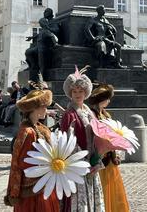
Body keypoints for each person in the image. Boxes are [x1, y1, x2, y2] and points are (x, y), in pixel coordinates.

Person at [4, 88, 59, 211]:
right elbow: (24, 162)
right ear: (35, 109)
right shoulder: (28, 132)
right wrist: (47, 164)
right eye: (44, 106)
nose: (46, 109)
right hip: (33, 188)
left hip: (43, 183)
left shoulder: (39, 128)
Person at [60, 67, 105, 212]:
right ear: (70, 93)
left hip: (92, 164)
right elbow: (67, 142)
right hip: (78, 168)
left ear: (85, 93)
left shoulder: (89, 112)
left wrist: (97, 158)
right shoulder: (69, 115)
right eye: (75, 91)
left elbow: (98, 137)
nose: (78, 94)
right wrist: (83, 163)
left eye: (80, 91)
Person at [88, 83, 130, 212]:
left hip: (110, 159)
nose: (109, 101)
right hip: (101, 158)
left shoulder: (106, 115)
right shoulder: (92, 115)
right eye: (107, 98)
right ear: (101, 99)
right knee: (104, 189)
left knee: (114, 190)